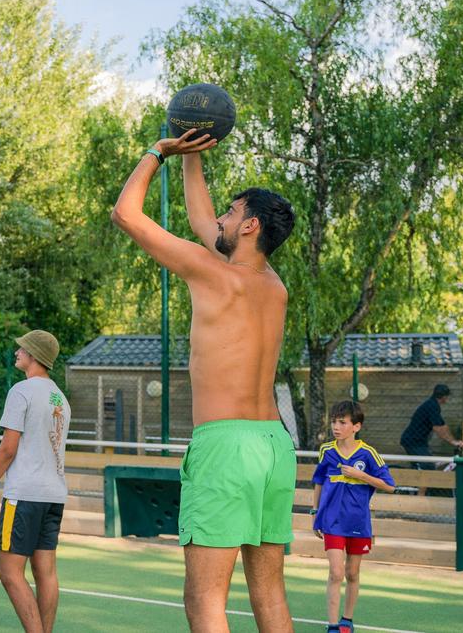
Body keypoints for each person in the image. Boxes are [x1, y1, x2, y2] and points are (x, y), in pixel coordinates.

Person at [112, 130, 297, 631]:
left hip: (226, 447)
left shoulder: (212, 274)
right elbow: (202, 223)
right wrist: (192, 156)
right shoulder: (272, 287)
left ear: (251, 225)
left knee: (204, 599)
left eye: (230, 213)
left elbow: (125, 214)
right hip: (273, 446)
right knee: (269, 593)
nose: (219, 220)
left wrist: (159, 152)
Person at [0, 330, 70, 633]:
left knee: (9, 572)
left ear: (34, 355)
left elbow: (8, 449)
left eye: (22, 349)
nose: (17, 352)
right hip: (54, 495)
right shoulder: (60, 398)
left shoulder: (22, 391)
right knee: (46, 573)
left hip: (24, 495)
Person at [312, 400, 396, 633]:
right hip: (331, 521)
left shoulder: (368, 454)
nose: (336, 427)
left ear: (356, 426)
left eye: (342, 422)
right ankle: (332, 626)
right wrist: (315, 513)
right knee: (336, 572)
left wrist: (361, 476)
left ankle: (346, 620)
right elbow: (318, 482)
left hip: (358, 522)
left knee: (352, 573)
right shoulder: (327, 451)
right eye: (333, 422)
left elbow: (390, 486)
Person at [400, 385, 463, 492]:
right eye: (447, 397)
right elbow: (438, 429)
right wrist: (453, 442)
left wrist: (455, 441)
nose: (447, 399)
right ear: (443, 397)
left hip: (419, 442)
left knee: (426, 465)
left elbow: (443, 426)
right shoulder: (432, 406)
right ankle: (420, 497)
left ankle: (418, 490)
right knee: (428, 467)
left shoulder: (433, 405)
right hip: (413, 442)